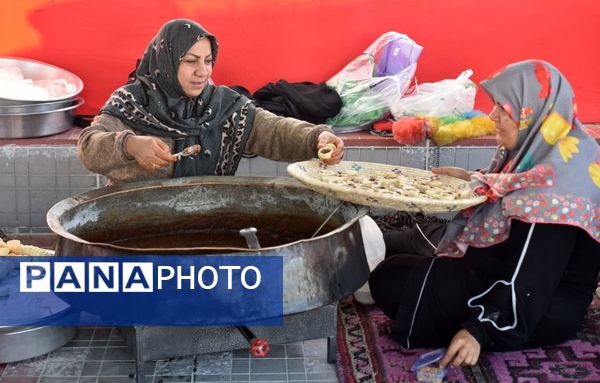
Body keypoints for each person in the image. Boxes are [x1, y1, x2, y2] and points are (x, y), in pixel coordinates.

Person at [368, 60, 600, 369]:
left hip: (538, 305)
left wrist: (479, 329)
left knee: (390, 279)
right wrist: (470, 179)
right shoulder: (557, 152)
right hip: (516, 272)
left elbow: (530, 276)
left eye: (503, 110)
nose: (493, 117)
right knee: (399, 259)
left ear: (531, 112)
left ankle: (490, 327)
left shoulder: (556, 193)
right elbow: (515, 192)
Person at [77, 19, 344, 184]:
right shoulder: (132, 102)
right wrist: (129, 145)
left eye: (208, 61)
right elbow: (89, 145)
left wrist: (316, 138)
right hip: (131, 225)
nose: (202, 71)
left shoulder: (222, 105)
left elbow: (271, 130)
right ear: (166, 62)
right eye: (191, 61)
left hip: (205, 219)